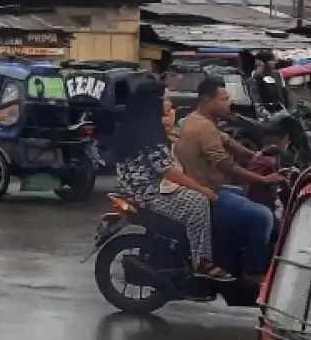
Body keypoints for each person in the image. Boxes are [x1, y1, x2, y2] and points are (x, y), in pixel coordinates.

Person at [111, 78, 229, 281]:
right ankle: (201, 262)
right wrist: (201, 189)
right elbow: (167, 171)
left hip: (148, 186)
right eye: (165, 100)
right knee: (198, 203)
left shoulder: (141, 124)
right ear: (154, 102)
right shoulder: (146, 130)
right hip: (147, 191)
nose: (169, 104)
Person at [175, 76, 283, 279]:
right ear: (207, 100)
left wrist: (257, 156)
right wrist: (261, 180)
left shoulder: (198, 120)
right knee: (263, 216)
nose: (228, 103)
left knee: (246, 196)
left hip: (209, 187)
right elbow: (224, 163)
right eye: (223, 99)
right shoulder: (203, 127)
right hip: (205, 194)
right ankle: (254, 271)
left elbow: (228, 143)